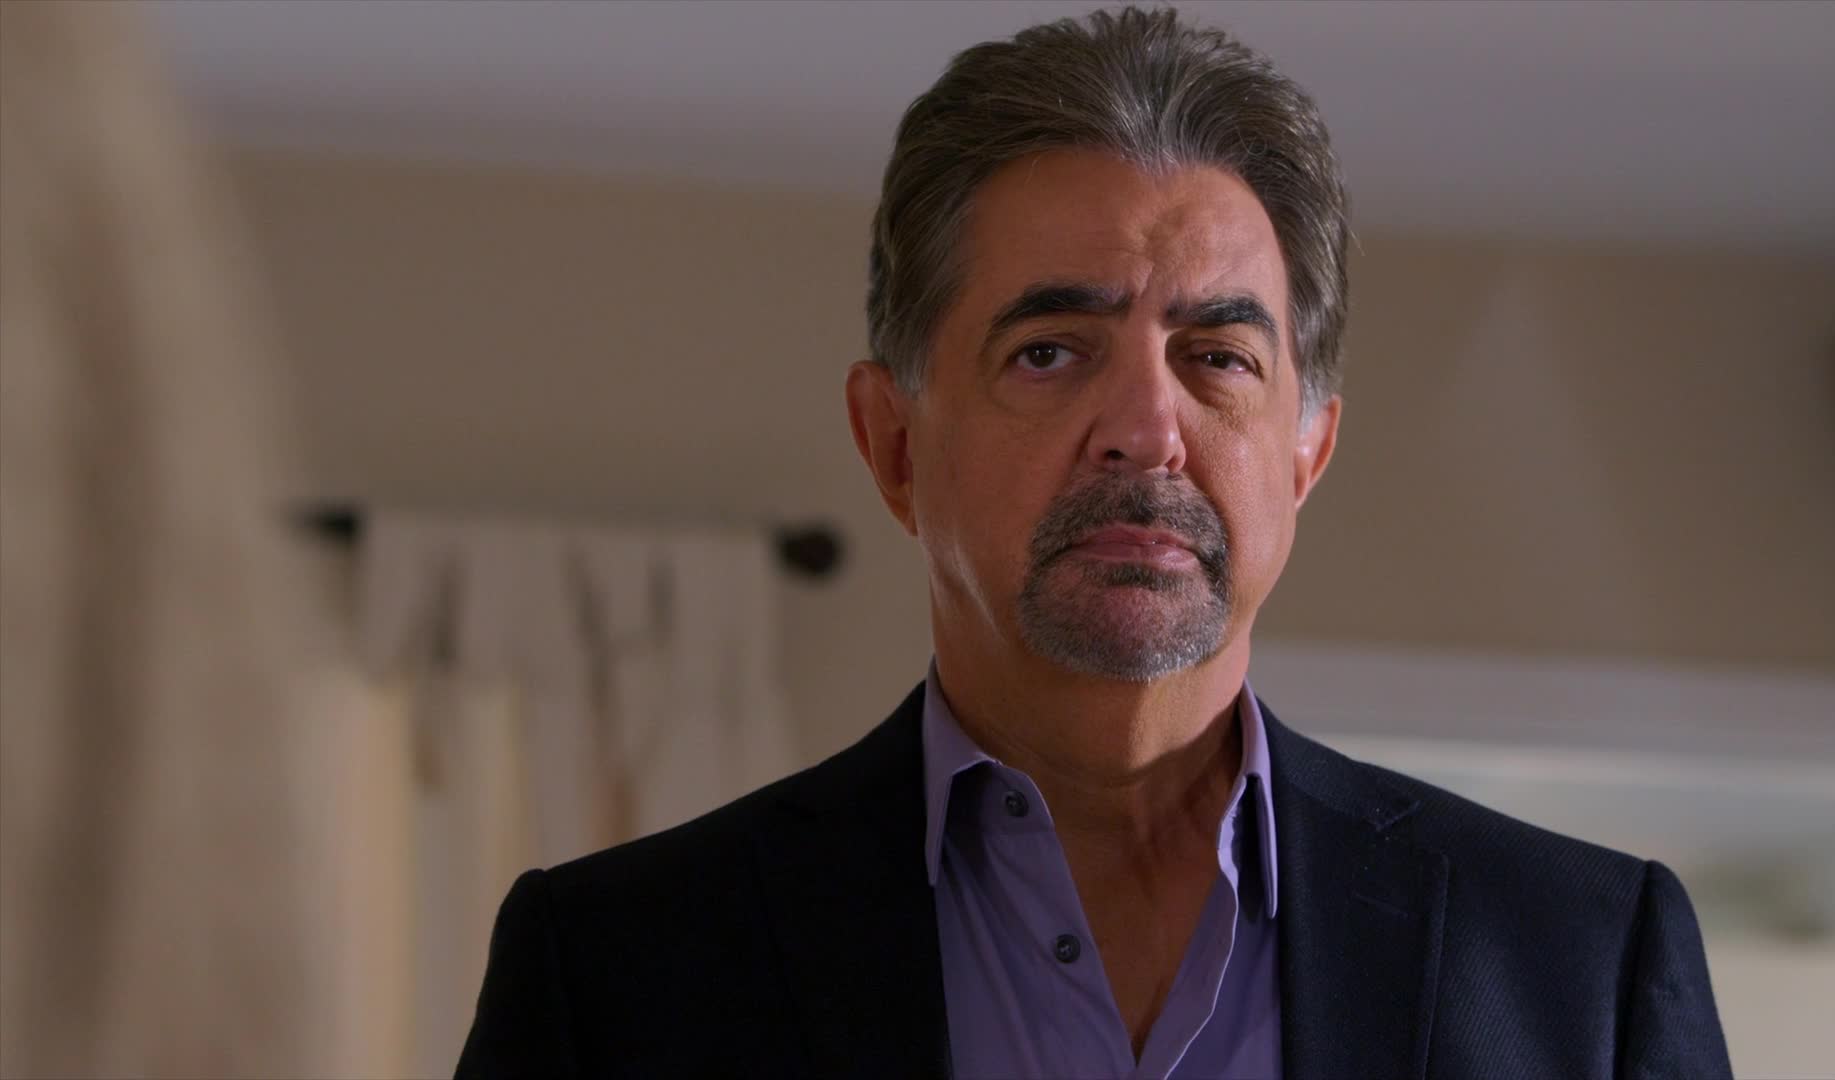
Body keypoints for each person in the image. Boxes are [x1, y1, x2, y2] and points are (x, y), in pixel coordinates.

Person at [456, 8, 1732, 1077]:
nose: (1144, 432)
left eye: (1218, 357)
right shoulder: (616, 975)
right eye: (1050, 352)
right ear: (893, 444)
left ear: (1307, 452)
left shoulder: (1583, 966)